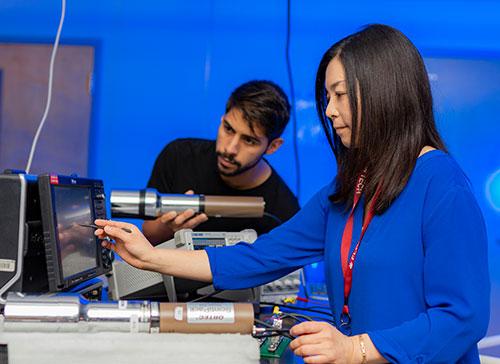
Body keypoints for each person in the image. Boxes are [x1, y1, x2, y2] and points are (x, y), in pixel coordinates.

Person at [96, 24, 490, 363]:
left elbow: (462, 316)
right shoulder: (349, 187)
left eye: (341, 95)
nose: (330, 111)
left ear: (384, 91)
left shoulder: (440, 182)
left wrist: (357, 350)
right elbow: (261, 256)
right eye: (327, 97)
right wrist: (151, 257)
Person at [142, 80, 300, 244]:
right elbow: (148, 234)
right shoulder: (179, 156)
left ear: (272, 146)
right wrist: (169, 226)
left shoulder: (284, 212)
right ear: (222, 119)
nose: (230, 148)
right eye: (228, 129)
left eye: (249, 140)